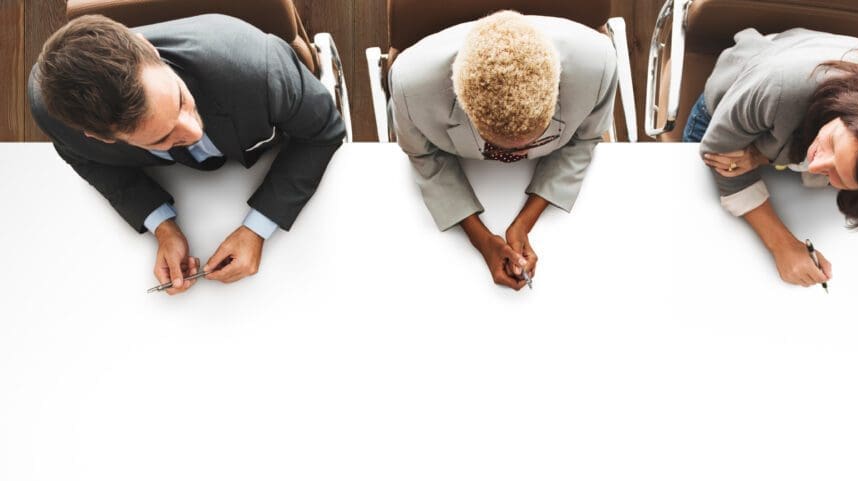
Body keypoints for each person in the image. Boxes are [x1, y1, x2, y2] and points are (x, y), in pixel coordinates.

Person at [29, 14, 345, 293]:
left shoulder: (256, 67)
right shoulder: (55, 116)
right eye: (164, 137)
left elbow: (324, 131)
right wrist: (163, 227)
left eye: (180, 100)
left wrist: (258, 227)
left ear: (148, 49)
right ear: (101, 137)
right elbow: (87, 160)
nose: (194, 131)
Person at [684, 29, 858, 286]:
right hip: (727, 108)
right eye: (833, 145)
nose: (816, 165)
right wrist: (782, 245)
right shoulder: (779, 86)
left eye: (841, 176)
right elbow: (719, 155)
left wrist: (762, 158)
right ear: (846, 109)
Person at [389, 11, 617, 291]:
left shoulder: (599, 66)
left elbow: (585, 138)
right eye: (500, 146)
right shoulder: (409, 87)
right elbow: (423, 155)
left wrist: (523, 222)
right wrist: (483, 240)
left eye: (530, 141)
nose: (520, 155)